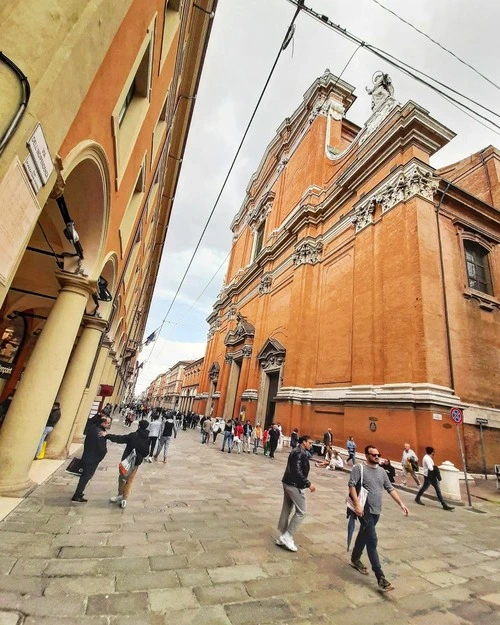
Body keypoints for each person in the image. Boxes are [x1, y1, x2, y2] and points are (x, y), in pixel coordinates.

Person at [348, 445, 409, 592]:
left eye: (378, 454)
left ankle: (355, 558)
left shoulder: (382, 471)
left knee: (364, 534)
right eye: (374, 455)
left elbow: (390, 488)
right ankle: (380, 577)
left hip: (376, 511)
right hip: (364, 509)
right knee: (372, 541)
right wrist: (357, 505)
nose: (377, 457)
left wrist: (401, 503)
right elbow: (351, 485)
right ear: (367, 455)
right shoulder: (359, 468)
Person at [276, 435, 316, 552]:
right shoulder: (299, 453)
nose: (311, 445)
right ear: (304, 442)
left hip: (287, 482)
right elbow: (297, 471)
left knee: (287, 508)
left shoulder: (297, 450)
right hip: (294, 484)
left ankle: (281, 536)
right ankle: (287, 536)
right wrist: (308, 484)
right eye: (309, 442)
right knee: (302, 512)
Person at [104, 420, 150, 508]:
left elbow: (119, 439)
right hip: (136, 463)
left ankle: (120, 495)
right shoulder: (147, 439)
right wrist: (139, 456)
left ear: (139, 426)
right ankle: (124, 498)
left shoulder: (133, 436)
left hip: (126, 461)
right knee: (130, 480)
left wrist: (107, 435)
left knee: (122, 478)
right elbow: (146, 452)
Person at [71, 414, 111, 503]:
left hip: (87, 455)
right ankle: (77, 495)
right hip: (93, 459)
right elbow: (102, 449)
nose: (108, 425)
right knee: (86, 477)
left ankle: (78, 493)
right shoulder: (100, 433)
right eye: (107, 423)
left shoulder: (93, 428)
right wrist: (99, 458)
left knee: (84, 476)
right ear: (102, 423)